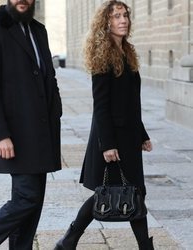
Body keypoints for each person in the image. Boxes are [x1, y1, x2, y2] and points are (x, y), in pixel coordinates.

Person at [0, 0, 62, 249]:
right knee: (26, 198)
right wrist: (0, 135)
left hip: (42, 132)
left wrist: (55, 109)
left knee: (33, 202)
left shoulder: (39, 30)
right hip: (15, 134)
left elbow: (48, 74)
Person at [54, 1, 154, 250]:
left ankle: (69, 241)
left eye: (124, 15)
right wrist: (107, 144)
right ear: (106, 23)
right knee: (118, 190)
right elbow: (101, 105)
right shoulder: (103, 54)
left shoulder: (127, 51)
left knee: (132, 191)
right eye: (116, 16)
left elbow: (131, 102)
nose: (123, 20)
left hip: (129, 136)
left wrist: (142, 133)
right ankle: (70, 239)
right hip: (112, 137)